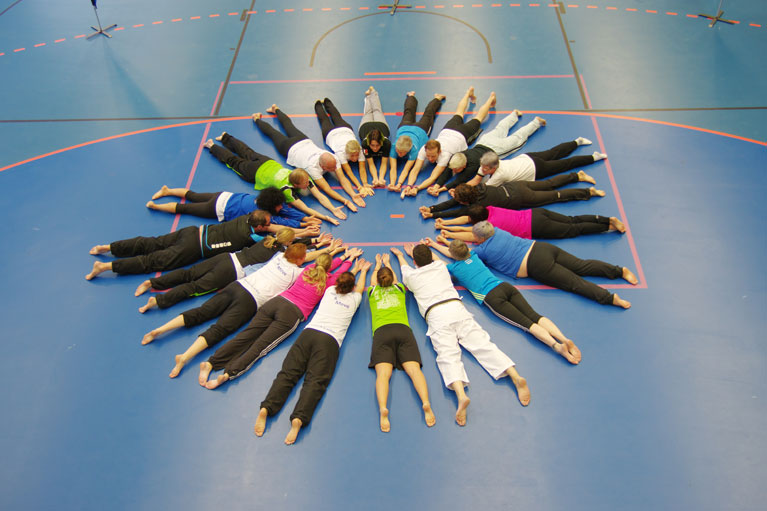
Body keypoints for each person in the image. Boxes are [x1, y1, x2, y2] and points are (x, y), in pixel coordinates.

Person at [390, 242, 530, 426]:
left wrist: (401, 255)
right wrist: (422, 254)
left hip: (437, 315)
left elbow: (404, 268)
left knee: (448, 356)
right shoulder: (440, 266)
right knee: (483, 345)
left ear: (414, 261)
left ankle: (461, 395)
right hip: (456, 308)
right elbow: (434, 259)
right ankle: (515, 376)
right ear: (431, 256)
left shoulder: (411, 276)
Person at [140, 242, 319, 378]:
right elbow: (313, 264)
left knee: (202, 311)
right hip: (250, 300)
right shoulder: (298, 273)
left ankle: (160, 329)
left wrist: (315, 244)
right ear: (301, 260)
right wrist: (330, 251)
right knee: (219, 329)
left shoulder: (279, 256)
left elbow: (298, 255)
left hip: (237, 286)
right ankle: (185, 357)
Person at [197, 248, 363, 390]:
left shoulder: (309, 269)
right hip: (291, 313)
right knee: (261, 346)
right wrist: (351, 262)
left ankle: (211, 363)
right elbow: (341, 275)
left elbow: (326, 265)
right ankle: (228, 374)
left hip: (276, 302)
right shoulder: (329, 281)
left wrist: (341, 256)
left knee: (246, 335)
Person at [253, 259, 371, 445]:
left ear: (338, 284)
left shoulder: (329, 291)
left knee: (288, 374)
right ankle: (298, 419)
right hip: (329, 341)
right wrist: (363, 271)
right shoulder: (355, 299)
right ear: (352, 288)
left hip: (309, 333)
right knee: (315, 382)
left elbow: (342, 279)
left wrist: (355, 267)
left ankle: (267, 408)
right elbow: (360, 286)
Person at [424, 237, 581, 364]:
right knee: (535, 316)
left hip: (492, 297)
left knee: (527, 324)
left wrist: (430, 247)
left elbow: (438, 262)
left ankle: (557, 346)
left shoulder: (454, 269)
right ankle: (565, 339)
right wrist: (443, 242)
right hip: (505, 286)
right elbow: (455, 252)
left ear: (453, 255)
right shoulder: (473, 255)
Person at [134, 231, 341, 313]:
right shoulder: (282, 253)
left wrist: (314, 241)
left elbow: (293, 242)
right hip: (232, 272)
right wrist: (328, 250)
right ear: (288, 243)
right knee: (195, 288)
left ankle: (152, 283)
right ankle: (158, 301)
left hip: (227, 257)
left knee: (189, 273)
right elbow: (306, 256)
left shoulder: (269, 239)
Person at [469, 221, 637, 308]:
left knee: (575, 283)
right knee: (581, 265)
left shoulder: (481, 251)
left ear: (481, 239)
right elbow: (478, 236)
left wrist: (444, 243)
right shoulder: (498, 230)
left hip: (536, 264)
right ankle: (619, 271)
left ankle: (610, 298)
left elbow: (463, 255)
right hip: (542, 248)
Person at [85, 210, 275, 280]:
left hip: (193, 231)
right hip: (193, 248)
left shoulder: (245, 217)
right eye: (266, 225)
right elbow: (276, 237)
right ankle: (105, 266)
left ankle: (109, 247)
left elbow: (265, 225)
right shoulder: (250, 237)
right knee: (152, 261)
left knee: (151, 242)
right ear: (258, 227)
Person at [203, 131, 341, 225]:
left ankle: (226, 137)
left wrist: (333, 209)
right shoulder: (287, 191)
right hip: (255, 172)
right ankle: (212, 145)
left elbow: (320, 196)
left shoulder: (302, 176)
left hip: (267, 163)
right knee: (234, 162)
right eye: (305, 184)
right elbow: (305, 209)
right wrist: (326, 217)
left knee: (247, 152)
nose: (308, 185)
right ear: (296, 185)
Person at [368, 253, 436, 432]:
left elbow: (374, 280)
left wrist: (377, 264)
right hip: (403, 330)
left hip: (382, 332)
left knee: (383, 375)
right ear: (392, 279)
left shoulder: (372, 291)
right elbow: (394, 278)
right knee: (414, 371)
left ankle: (383, 409)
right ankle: (426, 403)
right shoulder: (399, 289)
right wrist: (388, 262)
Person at [253, 105, 365, 212]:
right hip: (289, 148)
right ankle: (257, 119)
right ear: (323, 167)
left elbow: (342, 179)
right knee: (273, 133)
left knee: (289, 125)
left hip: (303, 140)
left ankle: (275, 109)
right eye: (332, 168)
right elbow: (327, 189)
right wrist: (345, 201)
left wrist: (353, 194)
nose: (335, 168)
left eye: (335, 166)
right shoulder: (312, 168)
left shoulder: (333, 159)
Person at [424, 111, 545, 197]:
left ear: (464, 166)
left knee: (517, 139)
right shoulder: (457, 157)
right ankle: (513, 115)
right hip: (485, 141)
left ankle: (536, 122)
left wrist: (441, 189)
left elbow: (460, 180)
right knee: (500, 129)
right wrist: (437, 185)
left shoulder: (471, 166)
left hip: (497, 148)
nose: (454, 171)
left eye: (457, 170)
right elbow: (448, 171)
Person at [402, 87, 496, 197]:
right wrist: (409, 186)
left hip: (463, 134)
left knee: (478, 118)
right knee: (459, 113)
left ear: (439, 151)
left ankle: (491, 99)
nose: (431, 159)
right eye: (429, 156)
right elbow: (415, 170)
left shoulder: (445, 155)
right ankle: (467, 93)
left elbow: (433, 177)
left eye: (433, 157)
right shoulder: (424, 149)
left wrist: (417, 188)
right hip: (448, 129)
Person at [419, 176, 604, 220]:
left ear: (465, 200)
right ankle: (576, 176)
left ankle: (587, 193)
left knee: (554, 196)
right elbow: (454, 202)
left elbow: (457, 210)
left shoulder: (478, 205)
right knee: (548, 184)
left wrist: (434, 215)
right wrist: (433, 208)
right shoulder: (478, 188)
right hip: (517, 185)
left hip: (524, 197)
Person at [145, 185, 321, 229]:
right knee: (185, 208)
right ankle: (156, 206)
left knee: (192, 195)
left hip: (224, 196)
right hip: (215, 208)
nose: (281, 206)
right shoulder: (259, 212)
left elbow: (285, 210)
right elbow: (280, 221)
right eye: (278, 204)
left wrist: (305, 217)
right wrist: (304, 225)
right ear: (270, 205)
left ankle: (167, 190)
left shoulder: (262, 200)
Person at [435, 203, 625, 241]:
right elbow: (468, 221)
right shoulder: (491, 208)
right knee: (571, 219)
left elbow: (471, 233)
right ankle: (607, 220)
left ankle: (607, 227)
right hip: (536, 213)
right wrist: (446, 223)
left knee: (572, 229)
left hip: (536, 227)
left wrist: (449, 232)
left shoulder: (490, 226)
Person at [464, 137, 606, 187]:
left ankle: (594, 157)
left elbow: (481, 188)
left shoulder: (499, 175)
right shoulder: (490, 164)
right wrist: (460, 187)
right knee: (553, 152)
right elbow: (475, 181)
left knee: (565, 165)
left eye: (485, 168)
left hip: (536, 169)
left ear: (493, 168)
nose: (482, 169)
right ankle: (576, 142)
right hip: (527, 158)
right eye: (482, 166)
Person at [314, 97, 374, 197]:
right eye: (352, 156)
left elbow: (362, 169)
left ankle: (327, 101)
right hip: (330, 133)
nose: (355, 158)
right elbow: (349, 172)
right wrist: (359, 187)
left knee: (336, 115)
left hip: (345, 129)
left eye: (356, 155)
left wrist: (365, 184)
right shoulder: (340, 154)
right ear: (347, 152)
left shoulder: (359, 150)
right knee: (324, 119)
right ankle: (318, 104)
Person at [387, 91, 445, 191]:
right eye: (398, 152)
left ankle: (437, 98)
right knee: (408, 111)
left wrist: (399, 184)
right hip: (404, 127)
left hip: (420, 130)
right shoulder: (394, 147)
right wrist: (392, 184)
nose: (399, 154)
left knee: (428, 114)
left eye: (402, 153)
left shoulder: (413, 150)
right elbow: (393, 168)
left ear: (408, 149)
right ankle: (411, 96)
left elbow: (406, 169)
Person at [358, 86, 391, 188]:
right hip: (366, 125)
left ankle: (373, 92)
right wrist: (375, 179)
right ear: (369, 143)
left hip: (381, 125)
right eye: (373, 145)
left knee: (377, 110)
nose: (375, 148)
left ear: (381, 142)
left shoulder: (386, 143)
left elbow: (384, 163)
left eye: (377, 145)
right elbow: (371, 164)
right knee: (368, 112)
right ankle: (369, 96)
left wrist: (381, 178)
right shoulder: (365, 144)